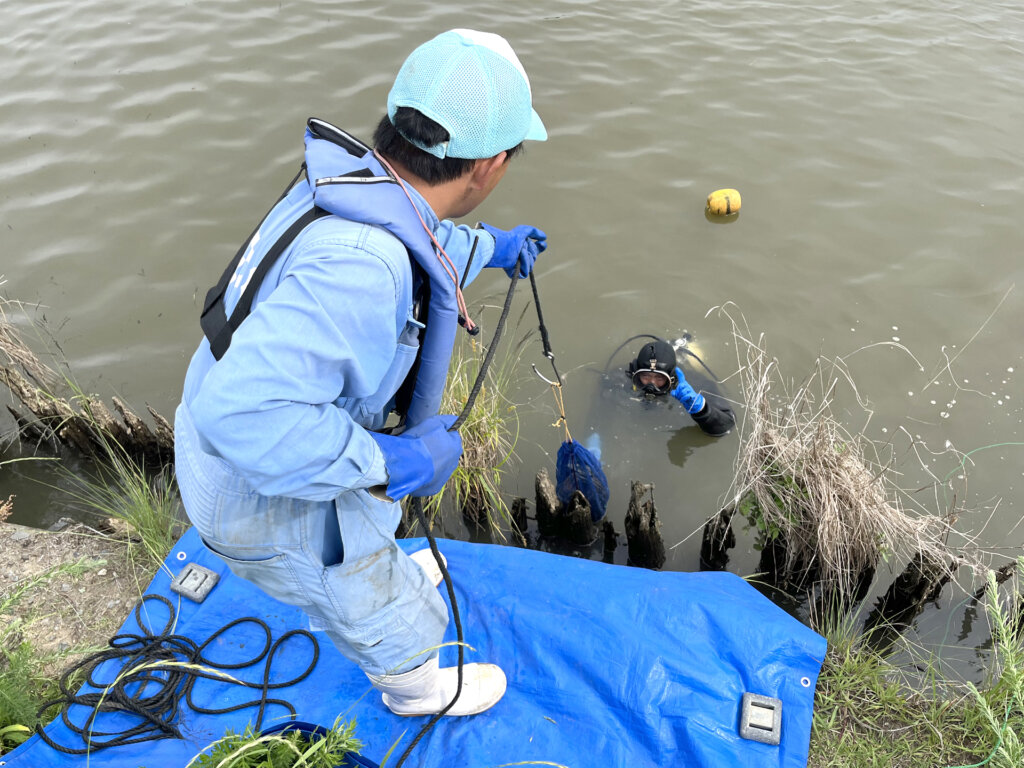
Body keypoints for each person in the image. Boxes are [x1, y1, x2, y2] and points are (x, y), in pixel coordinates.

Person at [174, 29, 548, 718]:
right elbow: (243, 417)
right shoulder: (363, 267)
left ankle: (377, 573)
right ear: (491, 165)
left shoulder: (355, 181)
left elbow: (423, 239)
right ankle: (415, 690)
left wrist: (495, 246)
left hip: (214, 438)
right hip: (249, 487)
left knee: (368, 533)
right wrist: (390, 461)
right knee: (362, 584)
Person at [626, 338, 735, 436]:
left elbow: (728, 425)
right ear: (636, 372)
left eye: (659, 378)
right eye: (645, 376)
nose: (651, 384)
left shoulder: (694, 383)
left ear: (671, 378)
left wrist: (702, 410)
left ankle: (683, 349)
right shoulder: (623, 379)